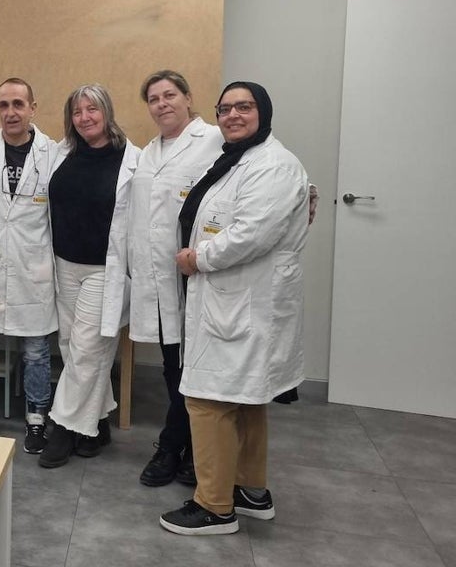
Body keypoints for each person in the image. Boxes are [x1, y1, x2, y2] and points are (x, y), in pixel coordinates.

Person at [159, 81, 309, 535]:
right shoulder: (241, 159)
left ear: (263, 111)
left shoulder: (273, 165)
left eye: (243, 107)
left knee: (206, 400)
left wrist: (196, 258)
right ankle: (249, 490)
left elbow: (250, 234)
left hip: (241, 300)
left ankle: (214, 506)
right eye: (225, 108)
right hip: (235, 300)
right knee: (245, 402)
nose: (233, 115)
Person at [128, 70, 224, 487]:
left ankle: (174, 447)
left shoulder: (216, 140)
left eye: (170, 95)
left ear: (188, 97)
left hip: (200, 273)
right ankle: (186, 449)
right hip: (160, 278)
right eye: (153, 98)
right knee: (174, 367)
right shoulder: (147, 152)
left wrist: (307, 195)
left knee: (196, 368)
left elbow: (264, 172)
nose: (162, 103)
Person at [38, 84, 140, 469]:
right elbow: (24, 143)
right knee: (70, 345)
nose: (85, 118)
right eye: (77, 111)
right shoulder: (62, 153)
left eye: (92, 109)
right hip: (65, 263)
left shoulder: (133, 159)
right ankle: (95, 424)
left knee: (85, 349)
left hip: (106, 269)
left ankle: (62, 427)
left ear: (107, 112)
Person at [0, 78, 62, 452]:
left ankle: (37, 417)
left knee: (36, 349)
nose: (11, 112)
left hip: (33, 264)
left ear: (33, 107)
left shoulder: (53, 152)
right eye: (3, 105)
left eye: (18, 104)